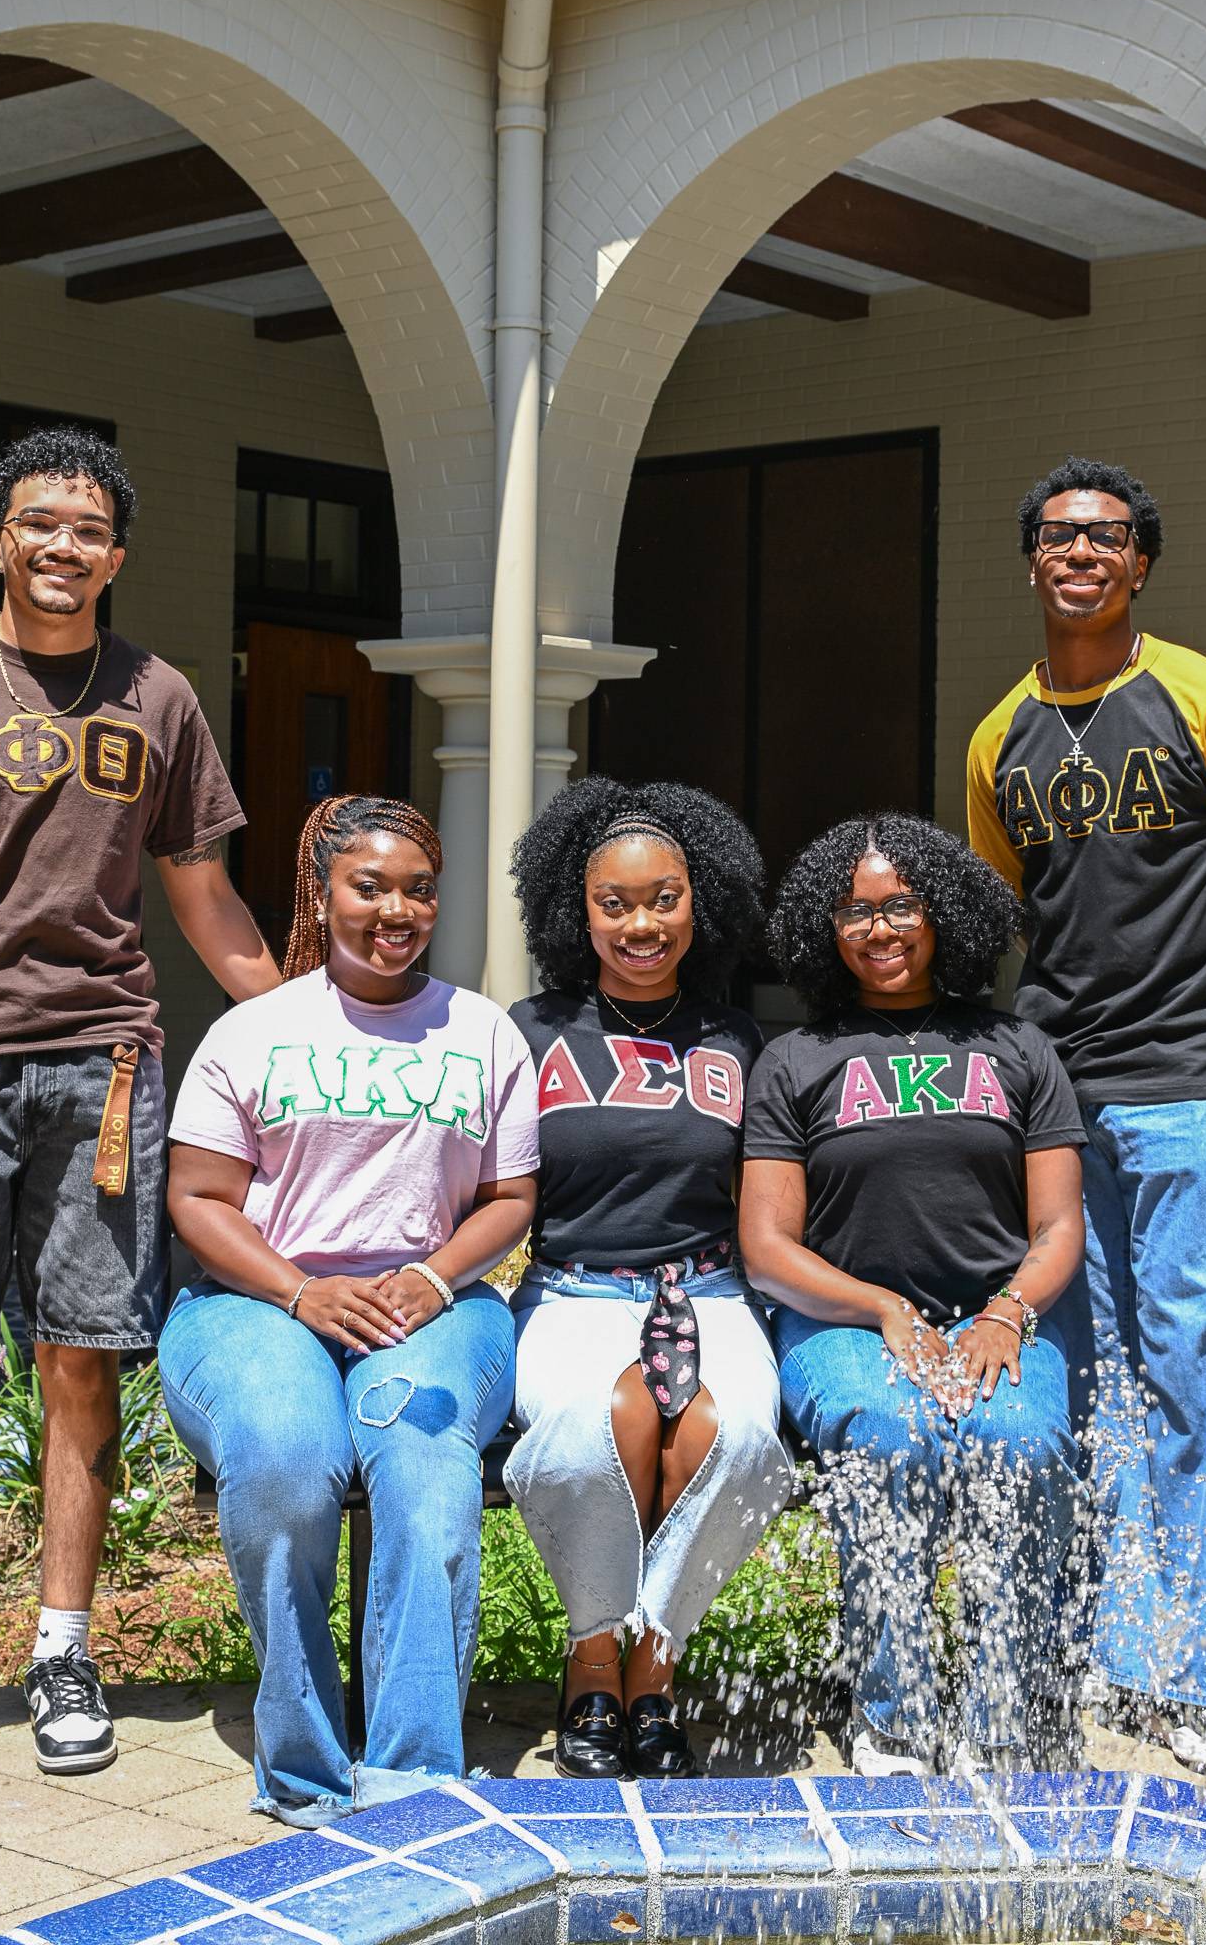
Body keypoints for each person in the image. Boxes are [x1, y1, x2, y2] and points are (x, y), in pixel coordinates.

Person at [0, 429, 277, 1784]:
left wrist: (298, 1035)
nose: (63, 547)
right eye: (41, 524)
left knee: (83, 1357)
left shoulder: (156, 696)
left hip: (104, 1065)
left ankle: (62, 1648)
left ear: (115, 556)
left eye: (89, 530)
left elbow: (202, 896)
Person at [966, 455, 1206, 1778]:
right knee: (1094, 1387)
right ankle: (1131, 1655)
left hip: (1190, 1092)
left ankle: (1191, 1682)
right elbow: (1008, 922)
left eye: (1105, 537)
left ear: (1138, 563)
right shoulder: (996, 736)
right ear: (1030, 559)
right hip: (1061, 1099)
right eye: (1056, 534)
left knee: (1199, 1374)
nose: (1079, 554)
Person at [158, 793, 538, 1822]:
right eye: (368, 885)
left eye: (418, 888)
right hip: (254, 1300)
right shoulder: (256, 1029)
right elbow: (195, 1196)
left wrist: (430, 1277)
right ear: (320, 892)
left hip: (435, 1300)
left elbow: (509, 1197)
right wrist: (297, 1287)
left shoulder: (482, 1029)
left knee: (417, 1458)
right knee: (283, 1454)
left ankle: (416, 1777)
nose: (396, 908)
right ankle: (305, 1769)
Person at [739, 813, 1087, 1773]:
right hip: (843, 1320)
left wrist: (1007, 1312)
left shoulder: (1018, 1049)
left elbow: (1059, 1227)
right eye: (856, 912)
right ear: (826, 925)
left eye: (902, 907)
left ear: (946, 918)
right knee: (889, 1432)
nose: (880, 930)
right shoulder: (796, 1059)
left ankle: (1005, 1714)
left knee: (1021, 1442)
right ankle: (893, 1713)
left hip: (995, 1314)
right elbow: (766, 1249)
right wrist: (883, 1308)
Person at [503, 777, 789, 1780]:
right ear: (572, 911)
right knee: (592, 1425)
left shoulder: (737, 1042)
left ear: (696, 899)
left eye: (662, 897)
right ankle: (592, 1660)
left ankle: (653, 1662)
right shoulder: (528, 1031)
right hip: (574, 1291)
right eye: (612, 902)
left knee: (742, 1438)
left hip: (708, 1291)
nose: (639, 923)